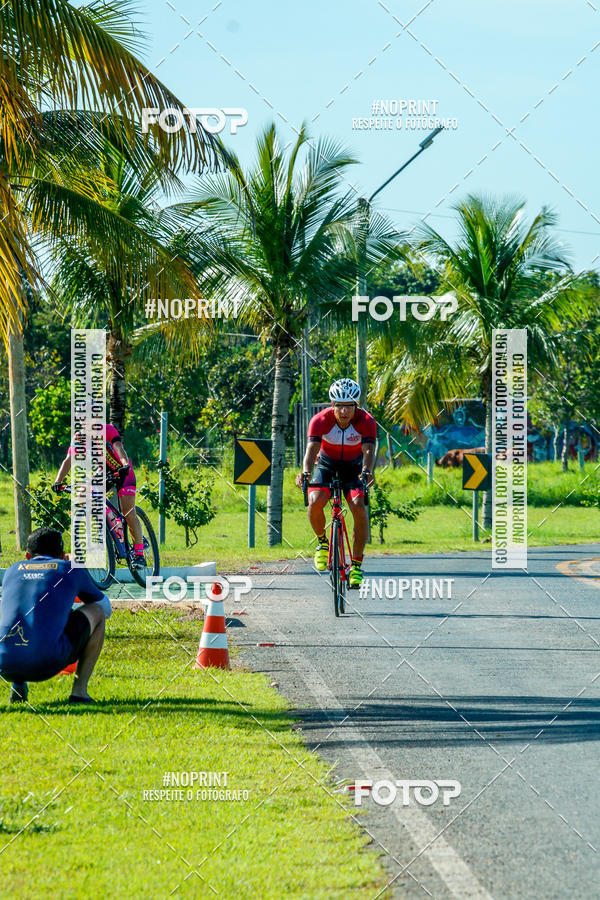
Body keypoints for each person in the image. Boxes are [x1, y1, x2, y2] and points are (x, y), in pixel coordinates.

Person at [0, 527, 112, 704]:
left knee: (21, 615)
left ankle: (18, 687)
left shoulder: (12, 571)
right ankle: (79, 692)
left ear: (28, 556)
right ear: (62, 554)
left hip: (4, 664)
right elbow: (105, 609)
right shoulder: (68, 569)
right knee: (96, 613)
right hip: (47, 662)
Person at [295, 378, 376, 588]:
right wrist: (305, 472)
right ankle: (322, 542)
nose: (344, 412)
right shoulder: (320, 420)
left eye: (349, 406)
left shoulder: (366, 421)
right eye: (339, 406)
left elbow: (368, 451)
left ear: (355, 406)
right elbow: (311, 450)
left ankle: (356, 565)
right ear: (333, 405)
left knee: (359, 507)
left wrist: (367, 472)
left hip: (354, 468)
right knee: (315, 500)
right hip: (326, 465)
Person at [53, 422, 145, 570]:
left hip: (122, 472)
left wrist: (125, 465)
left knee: (128, 511)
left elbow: (118, 448)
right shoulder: (79, 437)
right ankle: (107, 530)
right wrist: (58, 481)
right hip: (104, 473)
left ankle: (139, 554)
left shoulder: (107, 429)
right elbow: (69, 459)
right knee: (87, 494)